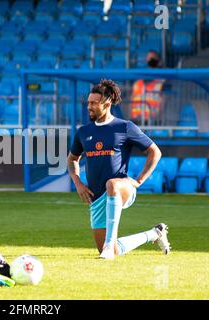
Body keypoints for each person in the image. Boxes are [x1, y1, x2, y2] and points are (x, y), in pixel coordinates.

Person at [67, 79, 171, 260]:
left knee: (112, 184)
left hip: (121, 188)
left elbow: (155, 152)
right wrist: (78, 184)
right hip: (96, 197)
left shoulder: (124, 127)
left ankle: (108, 245)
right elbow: (72, 159)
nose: (88, 106)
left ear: (107, 104)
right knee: (112, 250)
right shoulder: (83, 131)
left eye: (93, 103)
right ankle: (155, 234)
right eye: (88, 103)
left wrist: (138, 181)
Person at [130, 50, 166, 125]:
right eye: (149, 58)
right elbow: (132, 102)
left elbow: (164, 104)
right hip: (136, 121)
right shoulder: (137, 83)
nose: (150, 60)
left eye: (152, 58)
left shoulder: (161, 82)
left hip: (153, 122)